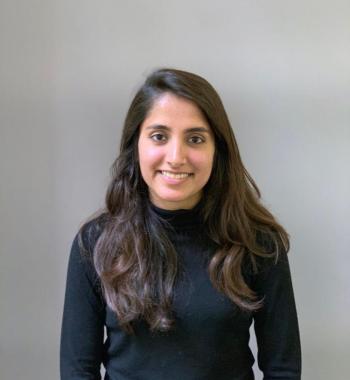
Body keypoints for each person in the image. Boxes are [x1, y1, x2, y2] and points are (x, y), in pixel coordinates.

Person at [60, 68, 301, 380]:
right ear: (136, 145)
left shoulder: (258, 243)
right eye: (159, 136)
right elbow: (78, 370)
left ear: (218, 150)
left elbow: (283, 369)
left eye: (195, 139)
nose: (176, 156)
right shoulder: (95, 243)